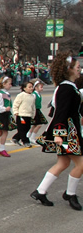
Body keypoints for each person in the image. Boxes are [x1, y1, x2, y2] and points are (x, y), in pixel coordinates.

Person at [33, 52, 82, 209]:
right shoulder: (66, 88)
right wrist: (59, 135)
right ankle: (70, 194)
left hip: (70, 130)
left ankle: (40, 191)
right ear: (69, 69)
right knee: (81, 164)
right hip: (67, 132)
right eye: (77, 67)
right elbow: (60, 113)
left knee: (63, 162)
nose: (79, 69)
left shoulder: (70, 87)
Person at [11, 80, 35, 147]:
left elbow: (33, 106)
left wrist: (33, 114)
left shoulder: (32, 96)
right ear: (24, 88)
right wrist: (15, 112)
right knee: (22, 129)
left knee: (27, 128)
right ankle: (25, 141)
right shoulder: (21, 95)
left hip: (28, 115)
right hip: (21, 115)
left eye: (32, 87)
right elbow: (16, 104)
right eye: (29, 87)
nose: (31, 88)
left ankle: (15, 138)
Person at [28, 79, 48, 144]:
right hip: (35, 110)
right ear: (36, 87)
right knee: (39, 124)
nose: (42, 88)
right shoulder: (34, 95)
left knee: (34, 125)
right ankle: (32, 137)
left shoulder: (38, 94)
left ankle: (28, 136)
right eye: (41, 87)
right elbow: (31, 103)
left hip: (38, 110)